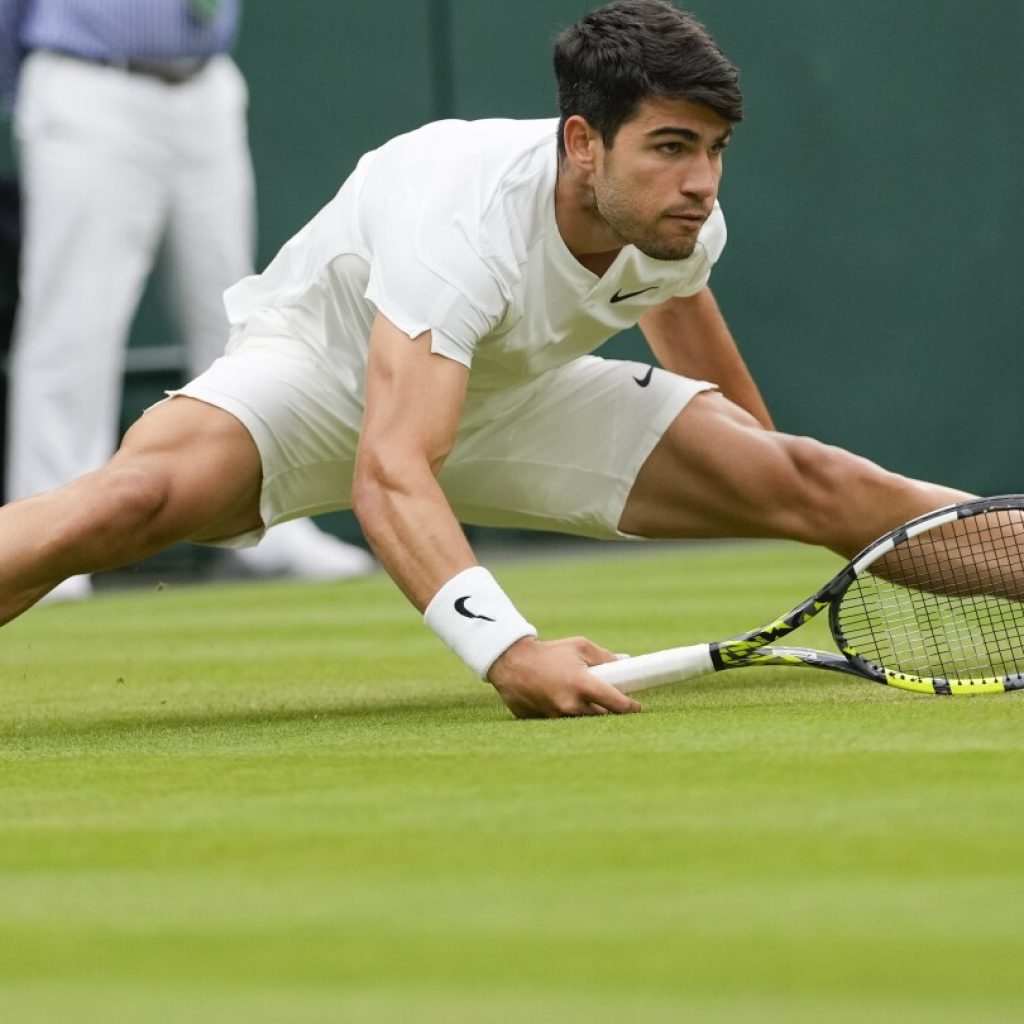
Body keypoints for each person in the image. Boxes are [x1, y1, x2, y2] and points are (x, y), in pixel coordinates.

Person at [0, 0, 969, 717]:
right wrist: (510, 652)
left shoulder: (682, 222)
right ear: (583, 143)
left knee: (824, 478)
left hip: (512, 401)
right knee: (119, 506)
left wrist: (768, 479)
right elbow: (388, 472)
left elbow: (702, 352)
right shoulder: (455, 215)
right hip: (315, 386)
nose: (699, 182)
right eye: (671, 147)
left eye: (712, 150)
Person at [0, 0, 375, 601]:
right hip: (89, 81)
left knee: (235, 316)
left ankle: (267, 521)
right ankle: (45, 550)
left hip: (207, 82)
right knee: (71, 330)